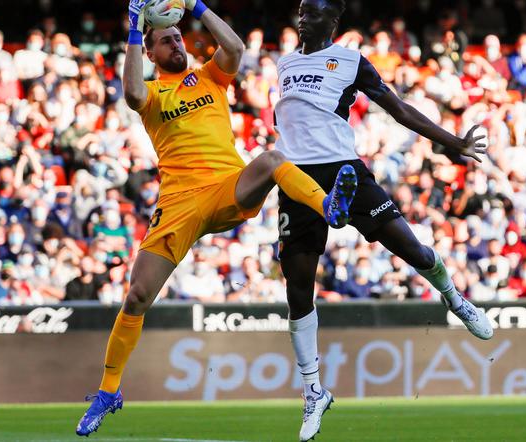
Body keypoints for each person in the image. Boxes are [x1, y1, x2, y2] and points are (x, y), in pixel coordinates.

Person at [75, 0, 358, 436]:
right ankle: (109, 391)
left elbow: (236, 48)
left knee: (271, 159)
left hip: (228, 187)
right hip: (179, 203)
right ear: (150, 53)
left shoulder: (208, 76)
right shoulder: (153, 94)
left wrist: (196, 5)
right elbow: (131, 93)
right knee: (137, 296)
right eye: (165, 41)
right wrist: (133, 27)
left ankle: (328, 206)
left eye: (178, 38)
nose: (176, 44)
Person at [273, 1, 493, 439]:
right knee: (297, 289)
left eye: (312, 12)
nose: (302, 17)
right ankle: (313, 392)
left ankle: (454, 298)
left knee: (412, 250)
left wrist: (454, 143)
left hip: (344, 170)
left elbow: (399, 109)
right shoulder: (284, 63)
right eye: (300, 10)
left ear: (332, 21)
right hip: (295, 179)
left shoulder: (350, 61)